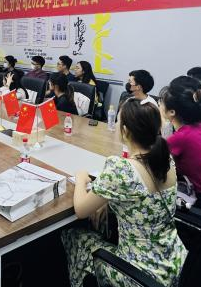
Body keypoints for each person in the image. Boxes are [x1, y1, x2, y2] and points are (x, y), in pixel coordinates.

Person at [61, 99, 186, 287]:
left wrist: (80, 178)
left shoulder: (121, 170)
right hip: (176, 262)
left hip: (141, 275)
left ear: (125, 131)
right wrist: (107, 201)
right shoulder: (165, 158)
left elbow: (81, 210)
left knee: (75, 237)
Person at [160, 76, 201, 206]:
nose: (159, 104)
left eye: (161, 102)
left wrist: (160, 121)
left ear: (172, 112)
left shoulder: (180, 138)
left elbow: (155, 162)